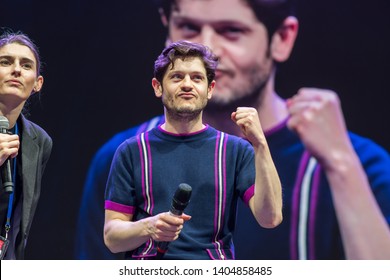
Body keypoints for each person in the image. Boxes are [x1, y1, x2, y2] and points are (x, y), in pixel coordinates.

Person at [75, 0, 390, 260]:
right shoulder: (125, 155)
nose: (206, 48)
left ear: (282, 38)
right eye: (188, 27)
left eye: (232, 31)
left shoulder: (357, 164)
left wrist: (342, 166)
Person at [103, 40, 282, 259]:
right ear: (157, 87)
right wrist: (149, 227)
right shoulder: (131, 151)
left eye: (197, 78)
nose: (187, 84)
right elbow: (112, 237)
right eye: (177, 77)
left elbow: (270, 218)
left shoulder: (235, 150)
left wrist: (261, 145)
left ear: (210, 89)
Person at [0, 31, 53, 259]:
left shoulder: (39, 141)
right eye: (6, 62)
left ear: (37, 84)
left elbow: (23, 216)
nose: (17, 70)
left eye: (26, 65)